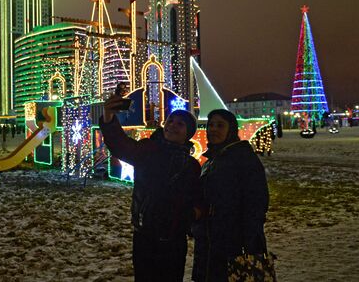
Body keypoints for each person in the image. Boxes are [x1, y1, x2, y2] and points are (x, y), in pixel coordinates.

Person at [100, 95, 203, 281]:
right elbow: (120, 145)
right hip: (146, 234)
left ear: (188, 133)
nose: (172, 125)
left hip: (174, 238)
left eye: (180, 124)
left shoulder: (191, 165)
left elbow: (196, 197)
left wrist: (191, 214)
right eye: (170, 121)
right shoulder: (148, 150)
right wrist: (108, 117)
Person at [191, 109, 269, 282]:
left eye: (220, 125)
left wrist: (249, 238)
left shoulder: (242, 158)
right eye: (210, 125)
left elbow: (257, 200)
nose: (213, 129)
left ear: (231, 129)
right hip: (210, 238)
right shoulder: (213, 158)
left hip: (234, 239)